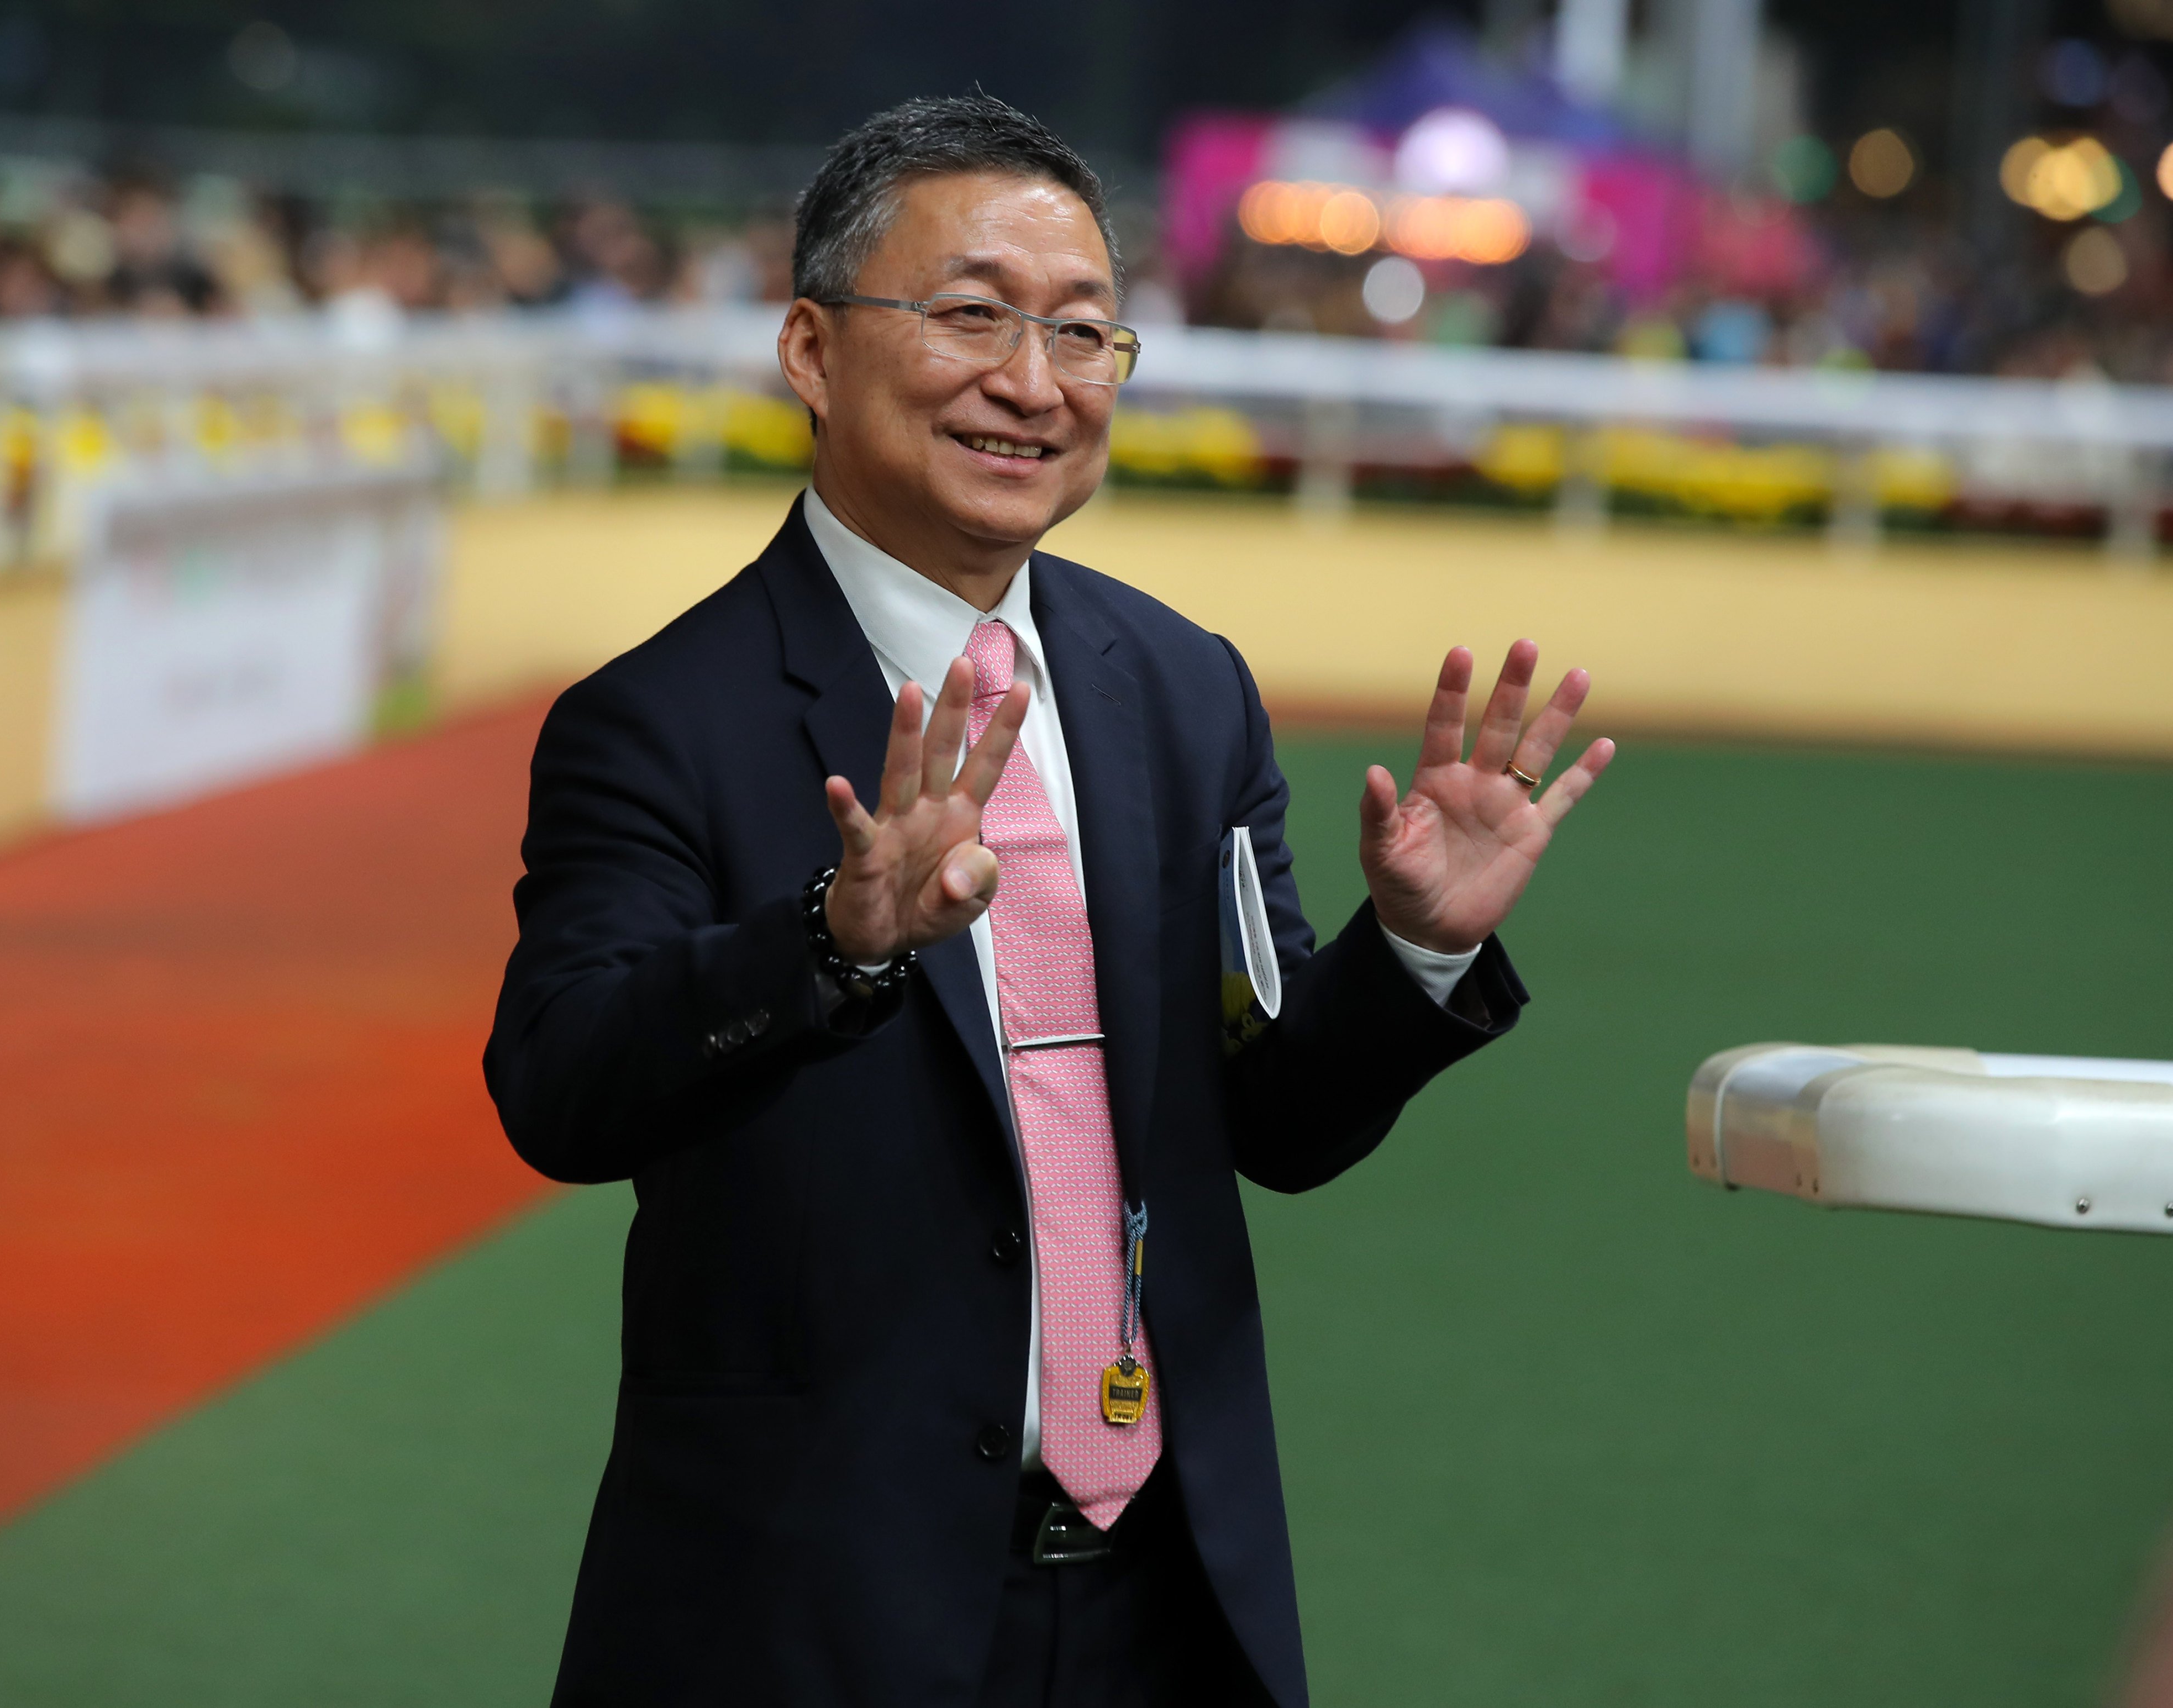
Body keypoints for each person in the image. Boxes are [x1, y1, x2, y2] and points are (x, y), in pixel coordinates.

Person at [485, 93, 1614, 1708]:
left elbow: (1272, 1111)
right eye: (971, 318)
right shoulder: (660, 718)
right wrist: (829, 939)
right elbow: (561, 1083)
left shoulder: (1179, 689)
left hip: (1166, 1604)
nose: (1033, 383)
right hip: (807, 1613)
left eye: (1083, 334)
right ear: (812, 348)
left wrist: (1419, 945)